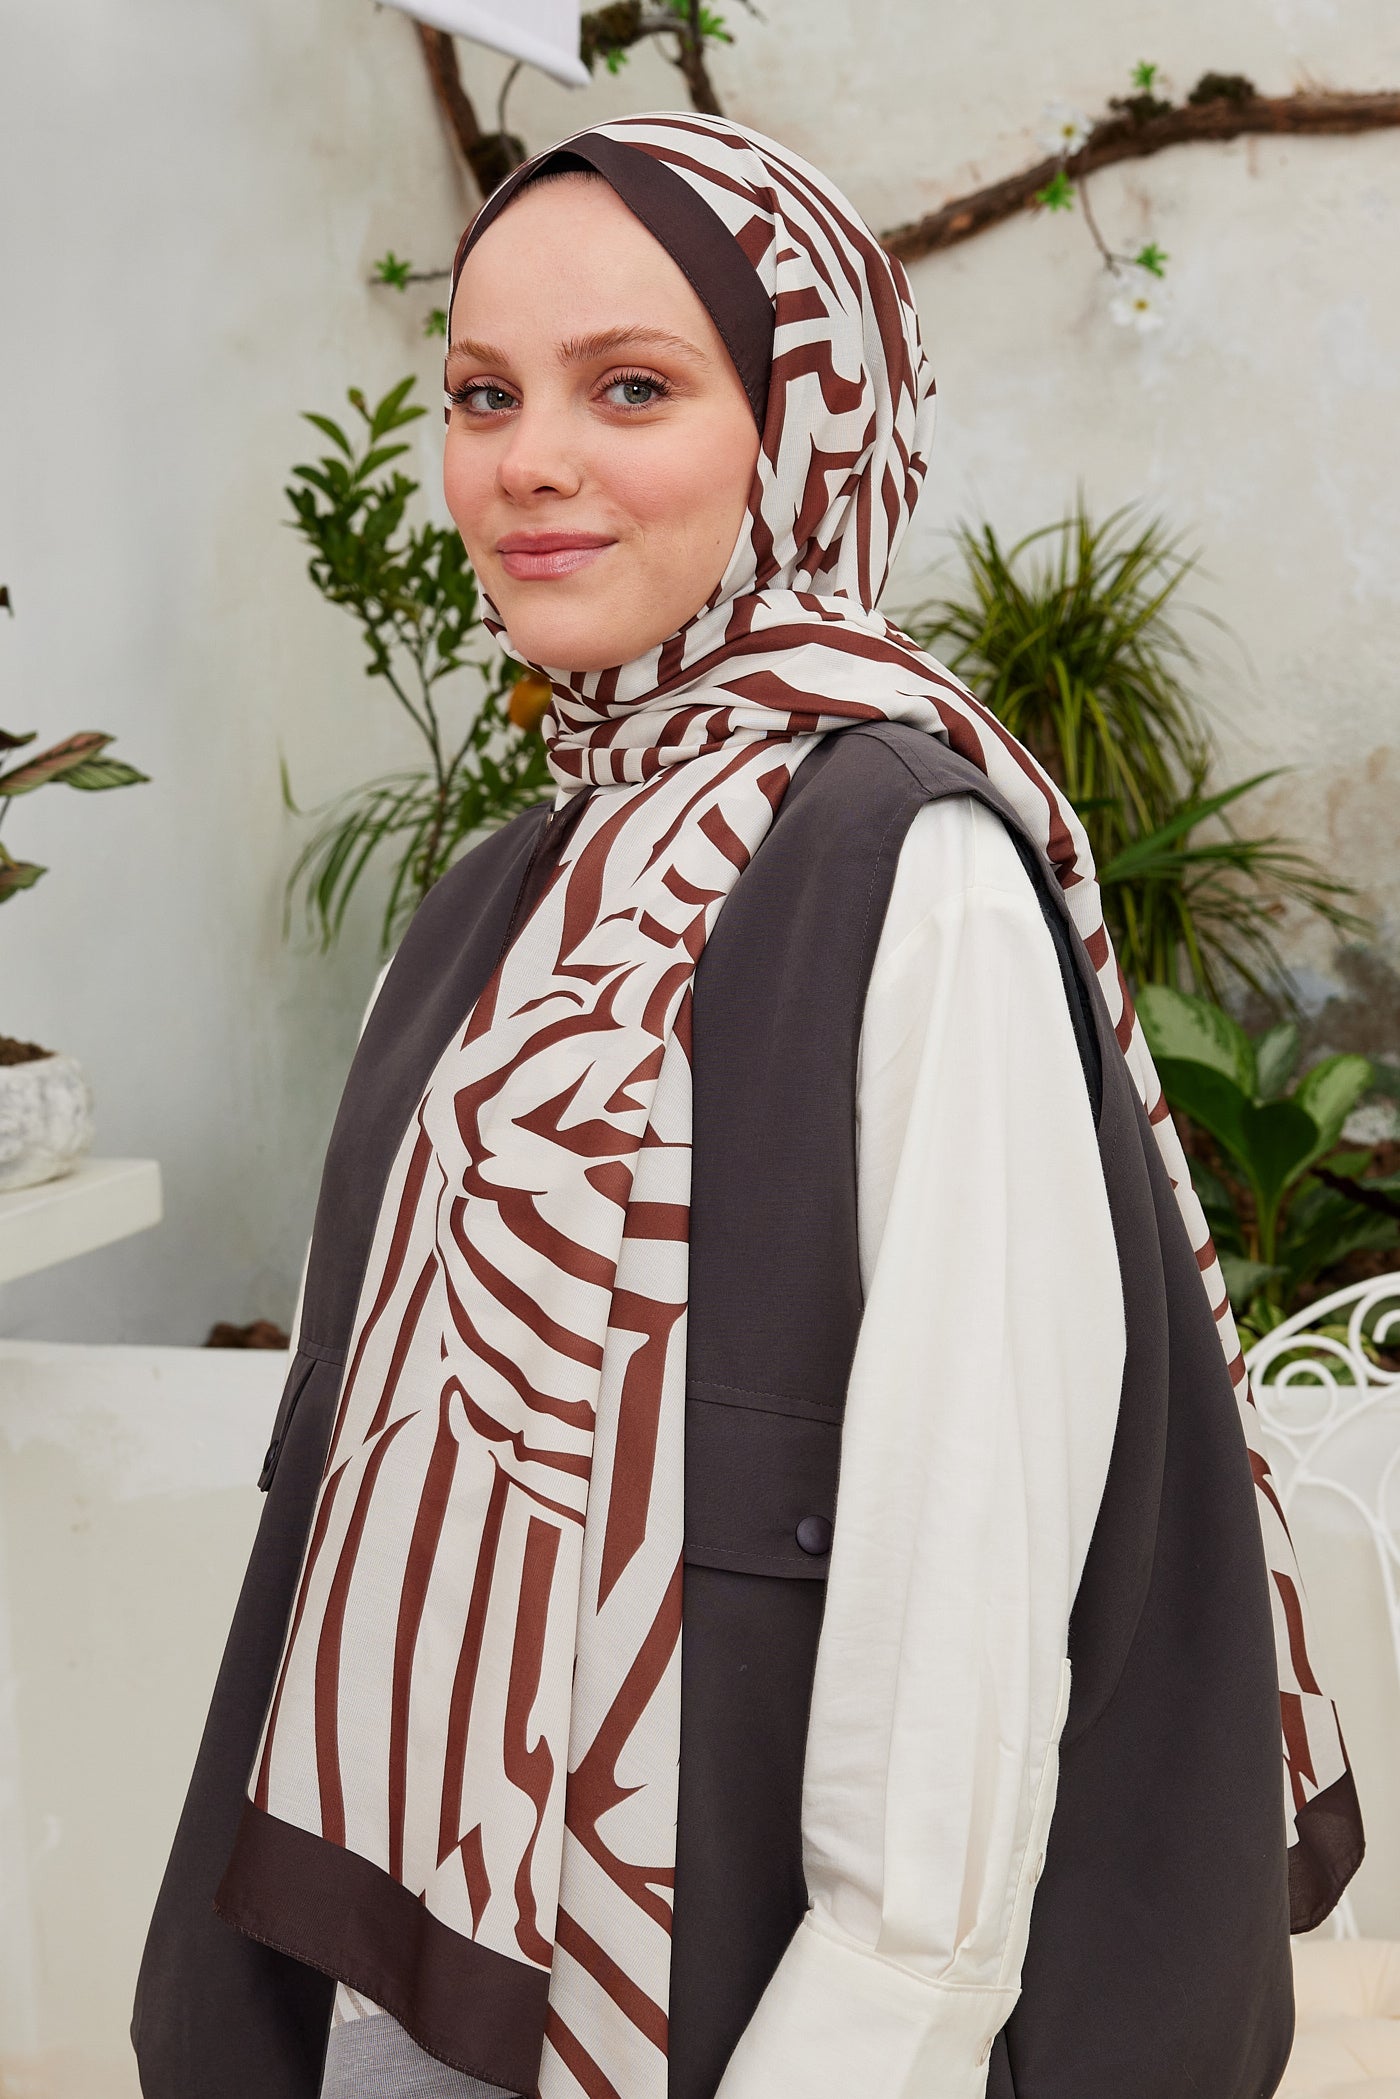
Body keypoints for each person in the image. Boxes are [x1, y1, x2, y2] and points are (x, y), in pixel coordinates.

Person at [133, 114, 1361, 2099]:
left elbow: (973, 1529)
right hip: (432, 1967)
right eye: (483, 394)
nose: (528, 460)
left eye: (631, 387)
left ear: (805, 434)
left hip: (751, 2012)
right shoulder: (514, 887)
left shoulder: (902, 859)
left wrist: (865, 2031)